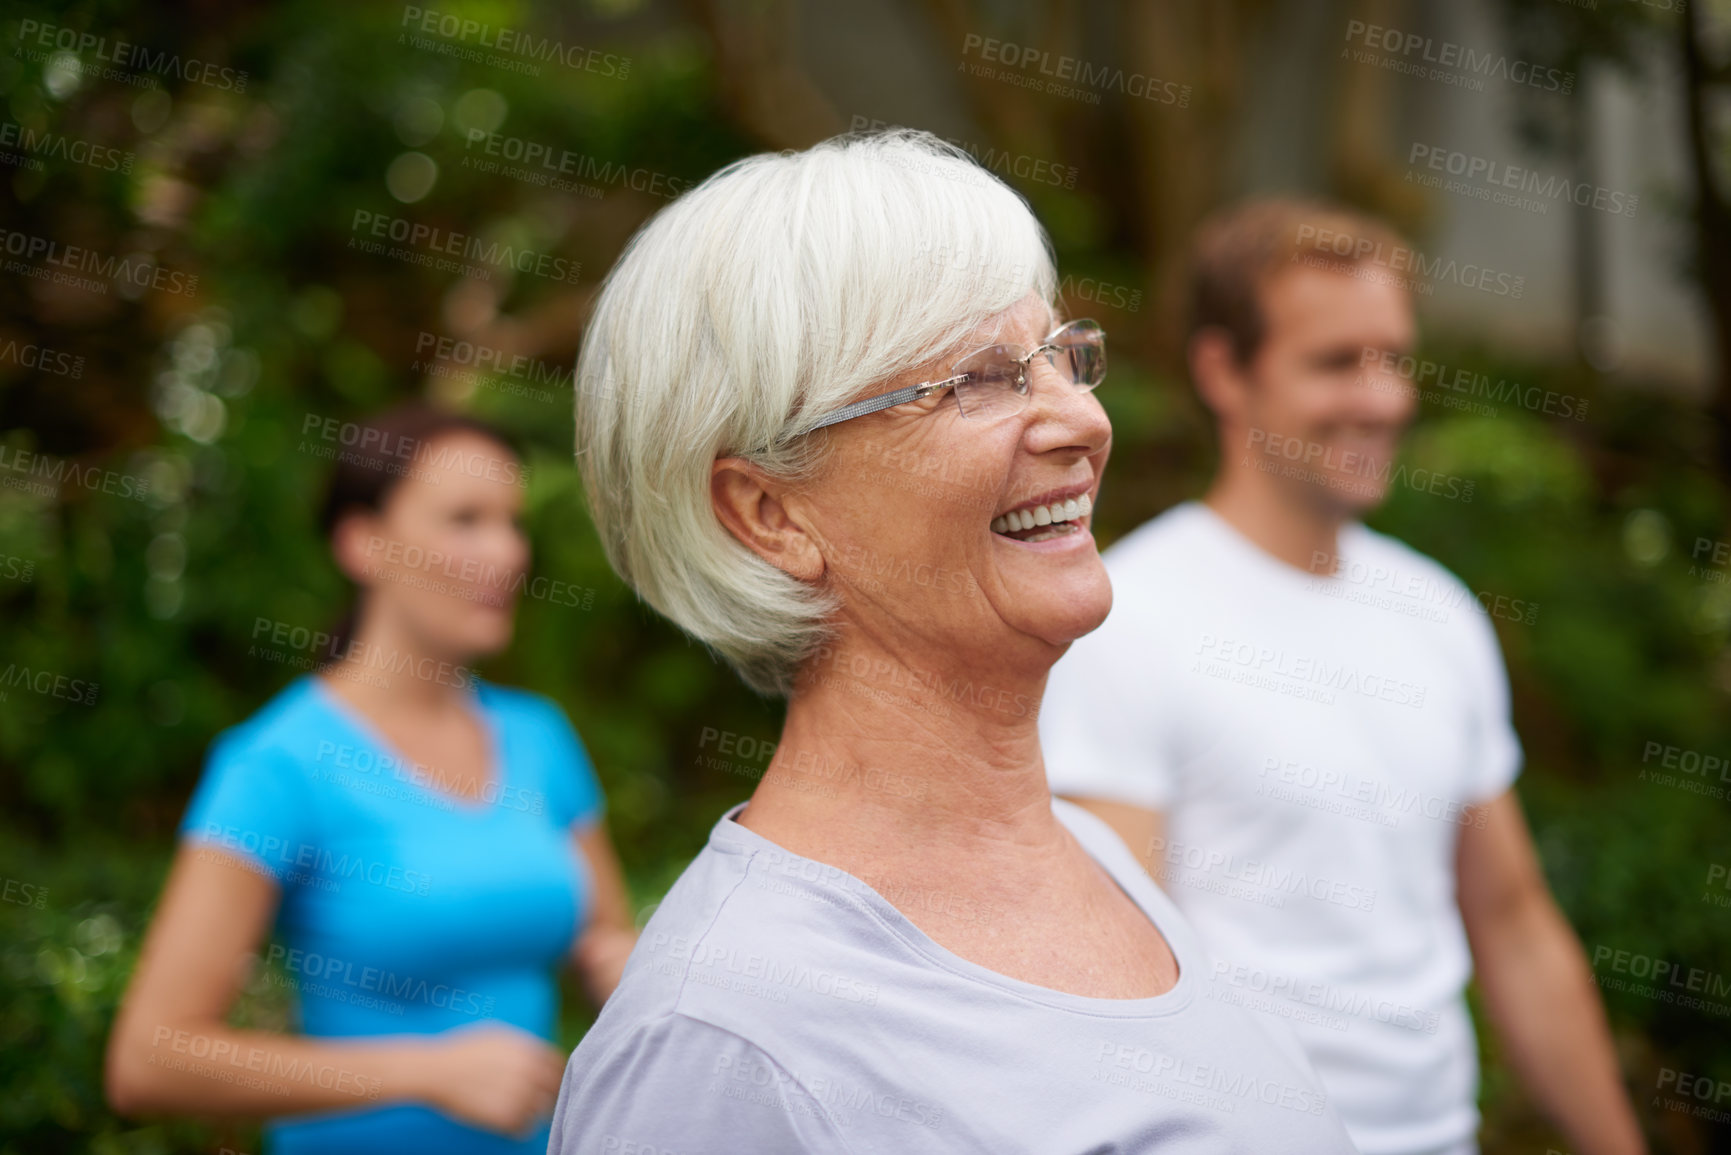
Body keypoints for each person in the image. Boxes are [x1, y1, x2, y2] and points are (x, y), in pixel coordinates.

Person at [545, 130, 1356, 1153]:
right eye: (978, 380)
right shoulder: (717, 1045)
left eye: (1061, 357)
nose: (1081, 421)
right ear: (768, 515)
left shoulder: (1097, 856)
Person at [1038, 199, 1645, 1155]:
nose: (1383, 397)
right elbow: (1113, 972)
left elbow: (1515, 925)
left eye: (1394, 358)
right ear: (1221, 372)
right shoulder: (1125, 621)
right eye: (1335, 362)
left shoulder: (1437, 614)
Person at [105, 404, 637, 1154]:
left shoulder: (538, 736)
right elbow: (151, 1059)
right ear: (364, 543)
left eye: (511, 522)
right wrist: (425, 1071)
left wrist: (630, 969)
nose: (508, 551)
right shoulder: (278, 765)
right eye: (465, 519)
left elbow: (603, 940)